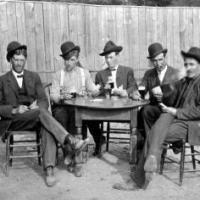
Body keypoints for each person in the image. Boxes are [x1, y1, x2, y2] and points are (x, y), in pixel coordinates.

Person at [0, 41, 87, 187]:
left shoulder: (34, 77)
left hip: (35, 116)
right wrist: (14, 110)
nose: (19, 63)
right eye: (16, 60)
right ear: (10, 59)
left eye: (22, 60)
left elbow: (43, 101)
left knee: (45, 122)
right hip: (13, 119)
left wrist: (37, 107)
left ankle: (49, 171)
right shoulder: (2, 80)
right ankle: (70, 140)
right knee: (44, 115)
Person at [114, 46, 200, 190]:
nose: (188, 67)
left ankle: (139, 179)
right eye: (186, 64)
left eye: (192, 64)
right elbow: (172, 87)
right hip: (174, 115)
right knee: (156, 123)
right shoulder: (186, 79)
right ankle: (152, 159)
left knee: (154, 134)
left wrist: (176, 111)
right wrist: (158, 91)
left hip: (191, 124)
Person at [50, 41, 101, 174]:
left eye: (72, 60)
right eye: (66, 60)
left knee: (77, 116)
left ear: (77, 59)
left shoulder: (84, 73)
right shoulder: (57, 75)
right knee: (61, 115)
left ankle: (71, 157)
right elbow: (53, 96)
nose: (68, 63)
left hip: (78, 108)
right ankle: (73, 156)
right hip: (62, 107)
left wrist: (98, 90)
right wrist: (61, 96)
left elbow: (93, 90)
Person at [137, 43, 179, 145]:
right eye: (155, 61)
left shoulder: (175, 73)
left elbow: (179, 96)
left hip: (170, 109)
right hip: (155, 108)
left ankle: (162, 142)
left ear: (164, 57)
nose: (158, 63)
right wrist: (136, 93)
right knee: (145, 111)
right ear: (151, 61)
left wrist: (164, 94)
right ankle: (152, 143)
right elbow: (141, 88)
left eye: (160, 60)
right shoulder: (149, 74)